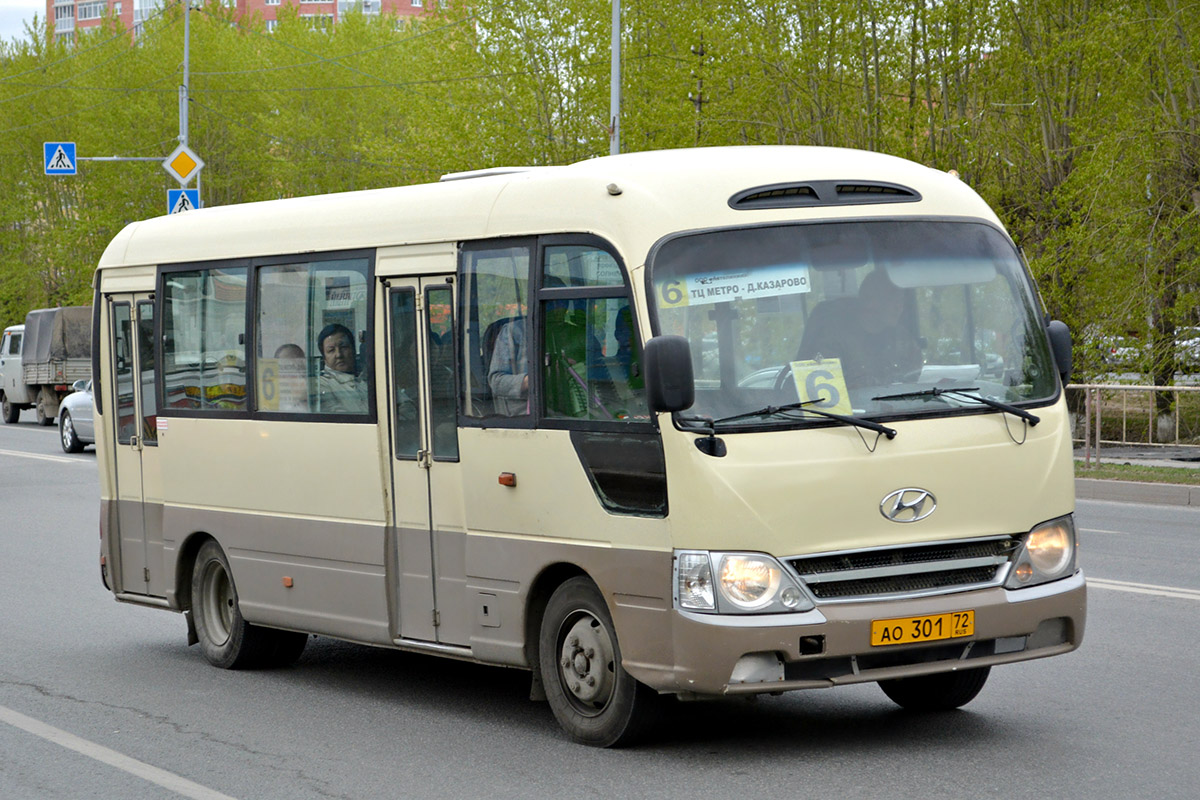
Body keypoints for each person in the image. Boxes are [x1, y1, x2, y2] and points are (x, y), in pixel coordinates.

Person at [797, 268, 922, 387]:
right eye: (892, 298)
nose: (899, 306)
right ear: (870, 301)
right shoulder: (833, 339)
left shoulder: (902, 338)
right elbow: (822, 391)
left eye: (901, 299)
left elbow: (914, 379)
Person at [316, 323, 368, 414]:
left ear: (353, 350)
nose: (339, 355)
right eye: (331, 350)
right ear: (324, 357)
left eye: (344, 347)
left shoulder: (366, 377)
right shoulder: (321, 384)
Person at [488, 317, 529, 416]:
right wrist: (532, 380)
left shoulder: (571, 331)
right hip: (527, 412)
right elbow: (497, 382)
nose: (559, 308)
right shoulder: (515, 330)